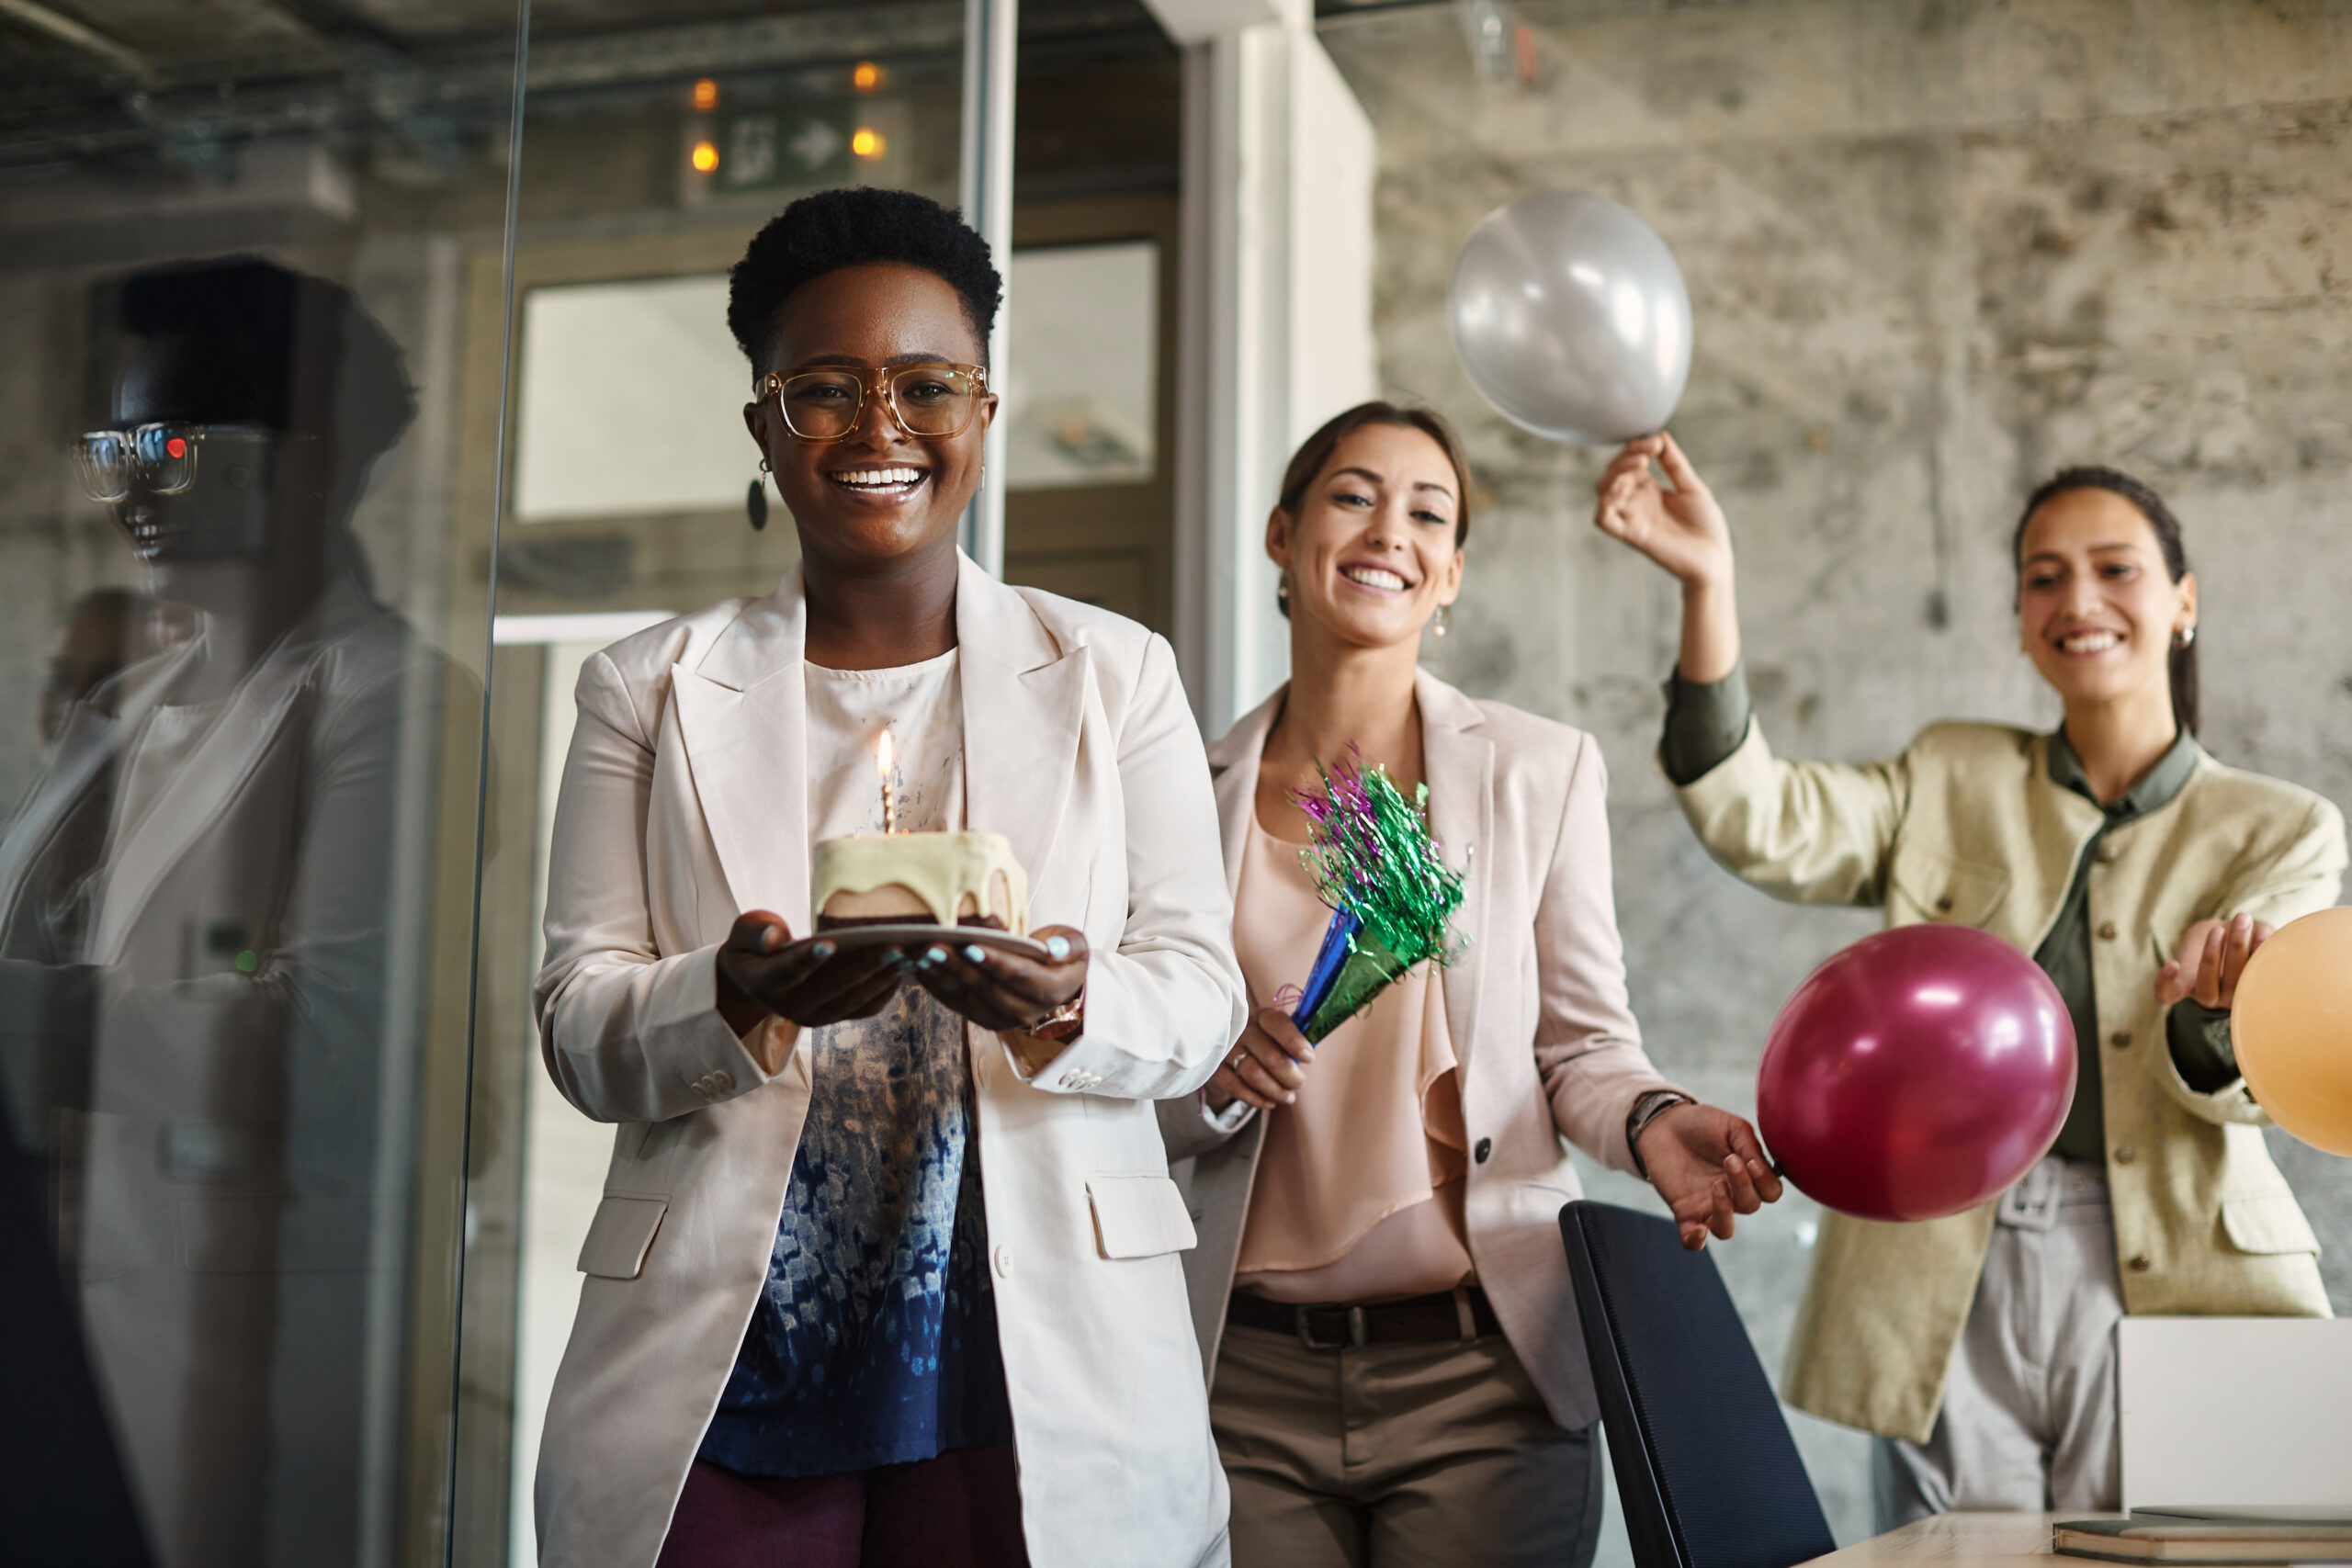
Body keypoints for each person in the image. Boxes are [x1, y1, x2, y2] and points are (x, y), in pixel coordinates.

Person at [531, 188, 1247, 1568]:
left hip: (1030, 1341)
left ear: (983, 409)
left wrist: (1071, 1000)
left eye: (927, 385)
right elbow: (577, 1018)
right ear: (762, 422)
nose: (879, 430)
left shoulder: (1116, 670)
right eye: (823, 393)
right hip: (732, 1350)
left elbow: (1202, 990)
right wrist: (728, 997)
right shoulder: (645, 686)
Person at [1594, 434, 2346, 1522]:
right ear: (2022, 624)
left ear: (2182, 601)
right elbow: (1761, 819)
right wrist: (1708, 585)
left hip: (2176, 1269)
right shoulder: (1949, 769)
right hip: (1940, 1263)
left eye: (2114, 567)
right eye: (2042, 576)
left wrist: (2223, 1010)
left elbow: (2241, 1077)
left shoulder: (2281, 827)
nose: (2075, 596)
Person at [1157, 401, 1783, 1568]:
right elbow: (1123, 1087)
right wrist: (1209, 1082)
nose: (1388, 528)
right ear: (1283, 535)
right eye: (1352, 496)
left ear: (1448, 576)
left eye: (1427, 512)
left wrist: (1650, 1122)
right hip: (1239, 1388)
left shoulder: (1539, 773)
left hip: (1484, 1382)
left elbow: (1583, 1051)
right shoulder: (1177, 793)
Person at [0, 256, 451, 1566]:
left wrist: (29, 1018)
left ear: (306, 461)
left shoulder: (393, 700)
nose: (135, 479)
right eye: (121, 443)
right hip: (53, 1289)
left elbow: (338, 1041)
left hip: (228, 1335)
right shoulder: (120, 708)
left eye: (178, 443)